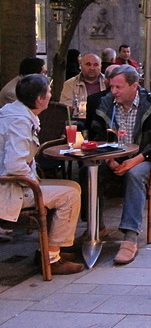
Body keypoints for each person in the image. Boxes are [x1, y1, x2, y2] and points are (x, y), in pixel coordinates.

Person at [88, 65, 151, 264]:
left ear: (134, 86)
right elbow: (96, 135)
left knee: (134, 174)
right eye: (112, 87)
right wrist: (109, 160)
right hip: (114, 156)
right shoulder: (106, 103)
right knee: (91, 170)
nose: (114, 92)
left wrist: (136, 159)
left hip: (150, 157)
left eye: (118, 87)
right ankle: (95, 227)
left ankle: (130, 236)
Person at [0, 74, 84, 275]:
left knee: (72, 187)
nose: (50, 95)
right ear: (39, 98)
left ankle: (50, 248)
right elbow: (14, 165)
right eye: (48, 91)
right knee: (69, 195)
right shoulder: (19, 122)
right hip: (9, 190)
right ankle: (51, 258)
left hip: (15, 185)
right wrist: (33, 182)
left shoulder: (14, 113)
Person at [60, 53, 105, 120]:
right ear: (80, 66)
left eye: (96, 65)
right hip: (80, 122)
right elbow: (65, 109)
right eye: (88, 64)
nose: (92, 68)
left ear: (100, 67)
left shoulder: (108, 82)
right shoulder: (70, 84)